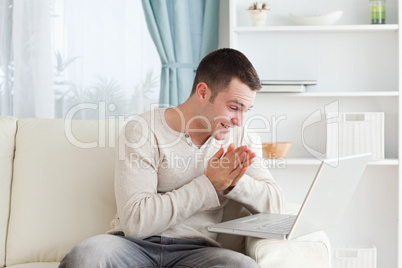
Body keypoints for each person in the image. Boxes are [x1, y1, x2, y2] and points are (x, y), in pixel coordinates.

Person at [59, 48, 283, 267]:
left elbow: (275, 207)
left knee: (242, 266)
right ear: (203, 92)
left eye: (247, 110)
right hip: (132, 246)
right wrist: (208, 184)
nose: (240, 120)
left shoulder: (241, 137)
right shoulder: (143, 130)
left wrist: (233, 180)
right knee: (86, 256)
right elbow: (136, 222)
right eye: (234, 107)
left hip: (198, 251)